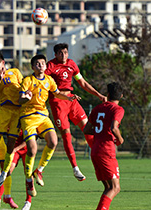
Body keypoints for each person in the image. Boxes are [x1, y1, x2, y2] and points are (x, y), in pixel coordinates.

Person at [19, 54, 80, 197]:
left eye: (43, 64)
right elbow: (20, 98)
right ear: (33, 67)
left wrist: (69, 97)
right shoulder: (28, 80)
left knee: (53, 141)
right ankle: (28, 179)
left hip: (43, 116)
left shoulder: (49, 80)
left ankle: (38, 170)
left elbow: (57, 93)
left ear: (46, 66)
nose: (41, 66)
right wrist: (25, 98)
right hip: (28, 117)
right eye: (38, 64)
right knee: (32, 150)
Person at [45, 43, 107, 181]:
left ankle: (100, 162)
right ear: (55, 54)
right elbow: (40, 81)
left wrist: (99, 95)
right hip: (57, 102)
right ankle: (75, 168)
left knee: (88, 130)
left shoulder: (72, 64)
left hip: (72, 101)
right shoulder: (50, 66)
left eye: (66, 52)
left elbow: (83, 83)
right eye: (61, 53)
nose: (64, 55)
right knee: (67, 135)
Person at [83, 82, 124, 210]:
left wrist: (100, 132)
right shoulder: (118, 109)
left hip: (95, 151)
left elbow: (86, 130)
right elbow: (114, 128)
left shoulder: (97, 108)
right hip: (107, 151)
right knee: (115, 187)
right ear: (121, 96)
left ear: (108, 94)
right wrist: (120, 139)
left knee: (108, 187)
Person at [0, 50, 23, 188]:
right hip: (3, 111)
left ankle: (4, 172)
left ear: (2, 62)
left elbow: (23, 87)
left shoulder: (15, 72)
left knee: (11, 144)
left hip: (16, 112)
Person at [0, 130, 32, 210]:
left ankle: (28, 202)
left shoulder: (24, 120)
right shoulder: (9, 121)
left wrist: (15, 149)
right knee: (6, 171)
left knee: (28, 174)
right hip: (14, 150)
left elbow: (29, 140)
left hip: (26, 149)